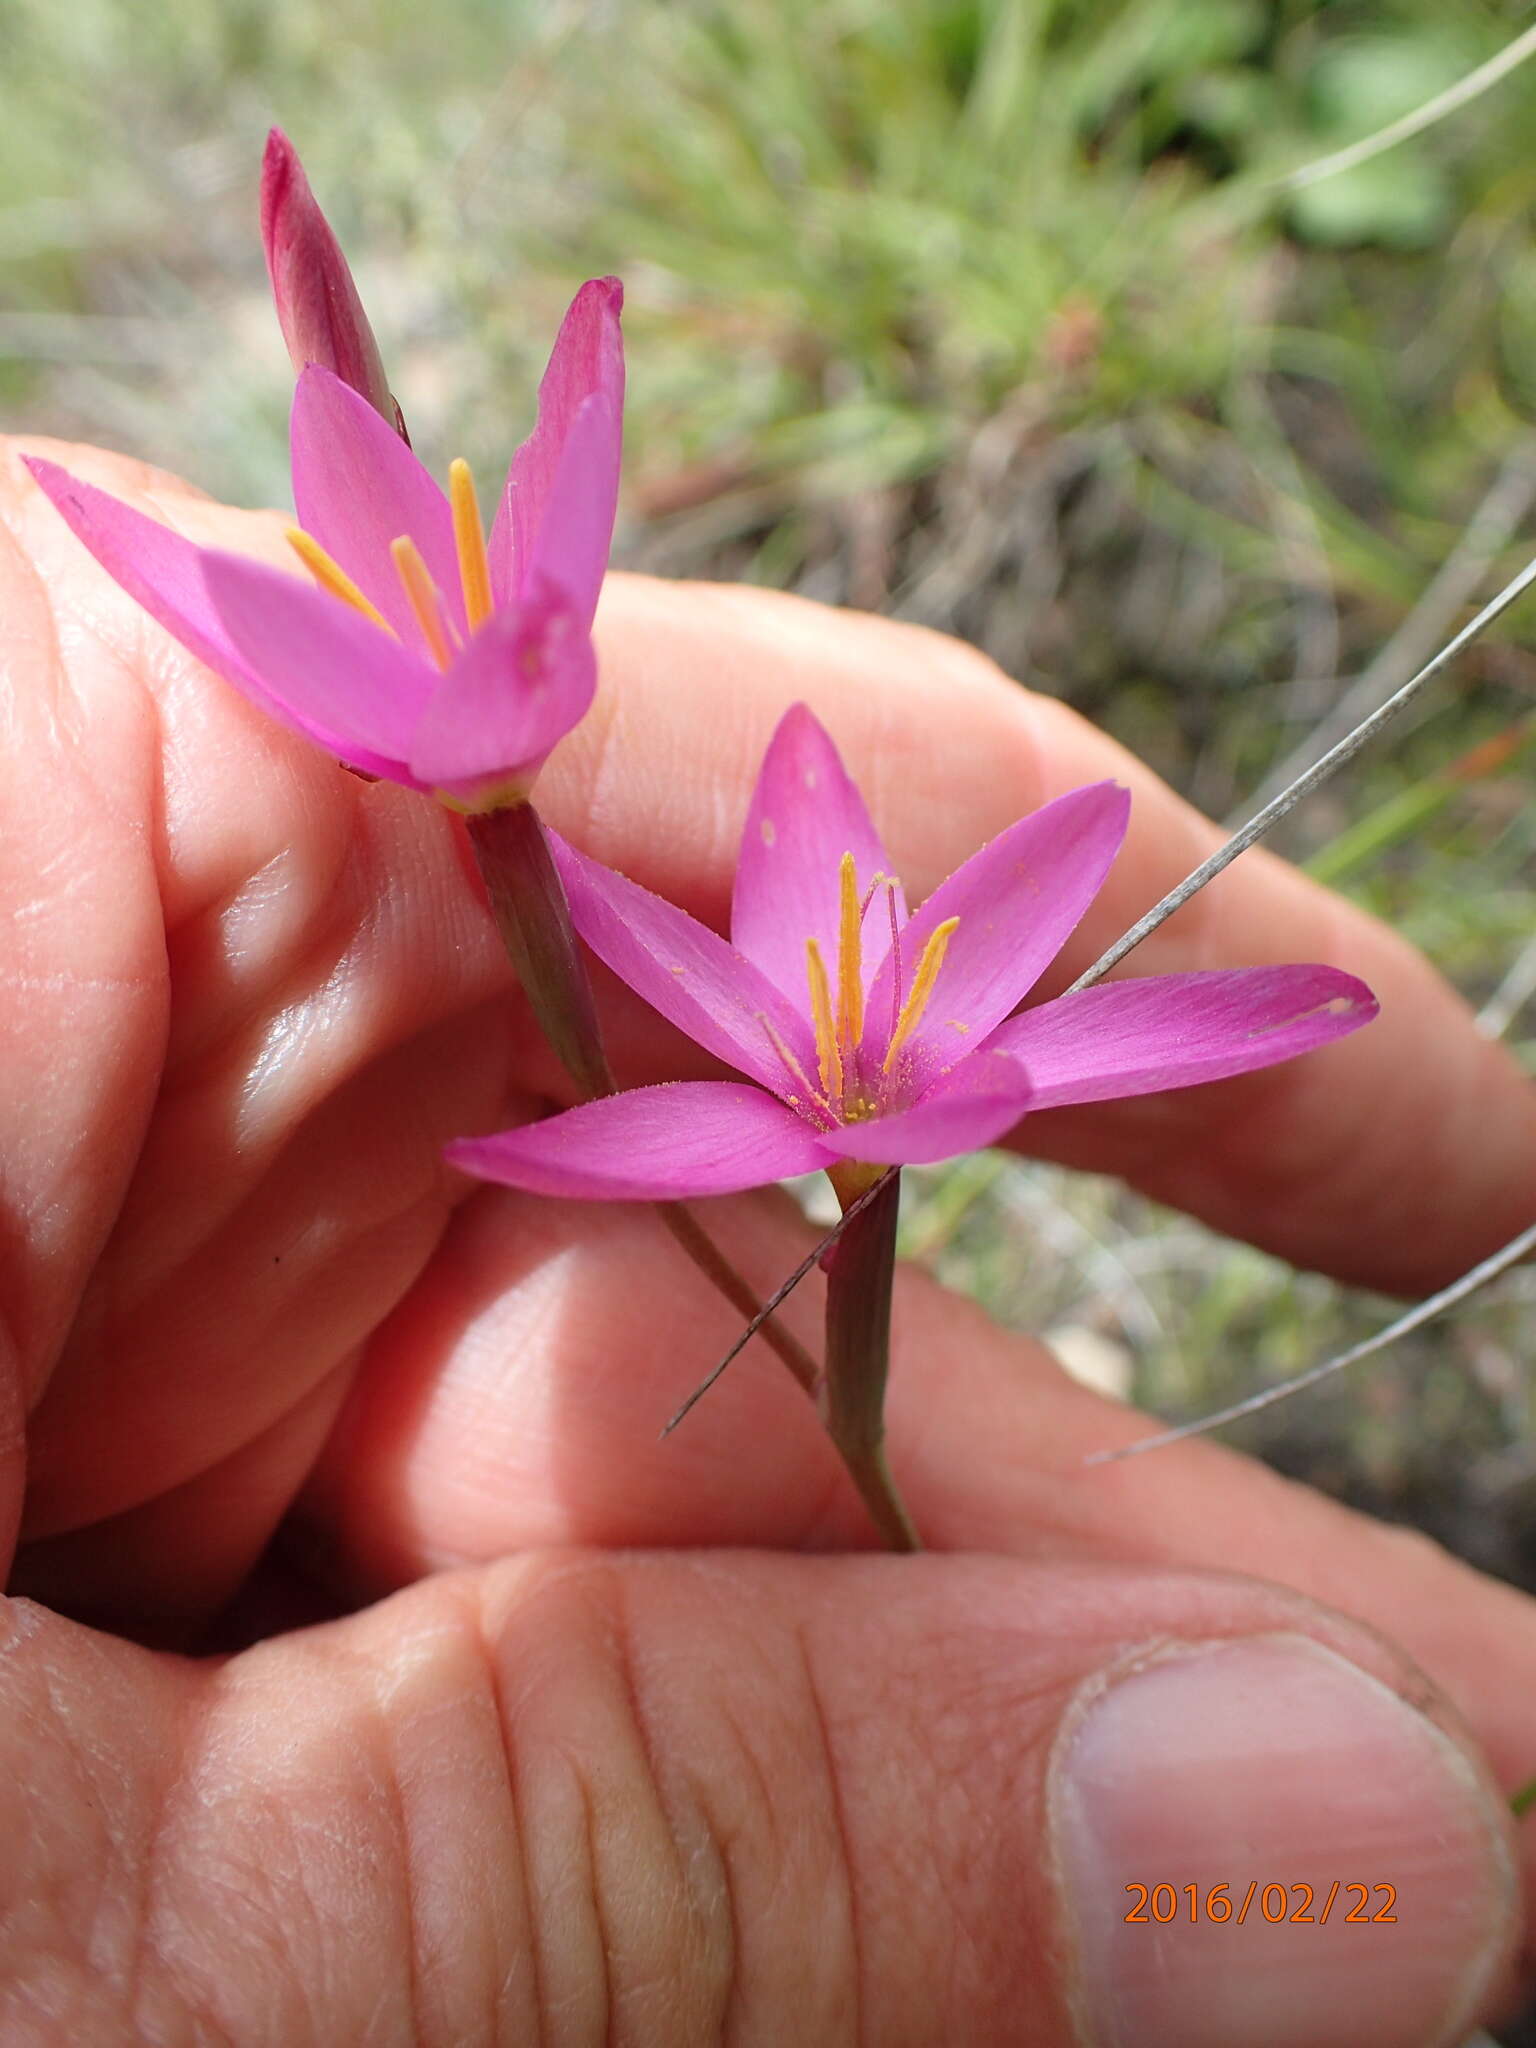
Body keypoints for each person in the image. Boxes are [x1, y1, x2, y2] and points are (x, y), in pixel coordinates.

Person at [2, 436, 1534, 2048]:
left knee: (875, 1448)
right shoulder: (702, 1008)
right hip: (766, 1101)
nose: (866, 1047)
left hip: (828, 1101)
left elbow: (1093, 954)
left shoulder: (893, 1054)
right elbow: (654, 924)